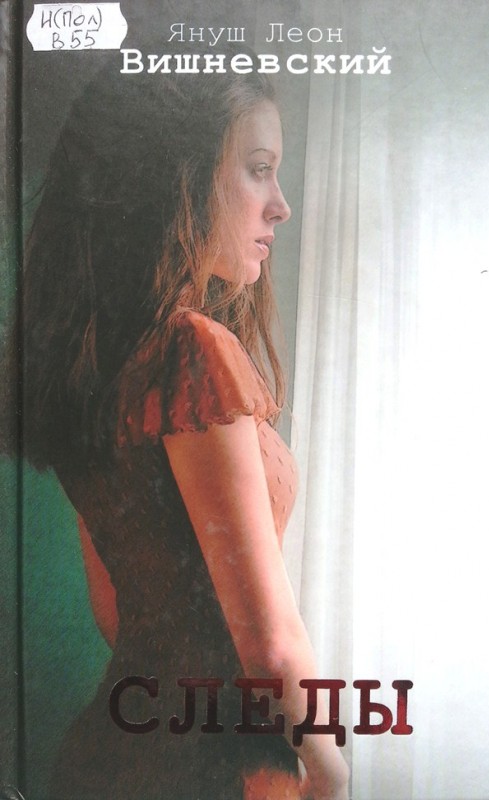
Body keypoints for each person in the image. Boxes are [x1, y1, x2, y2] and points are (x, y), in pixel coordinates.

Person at [21, 45, 350, 800]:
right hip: (220, 768)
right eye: (259, 169)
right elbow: (270, 645)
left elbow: (116, 615)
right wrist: (331, 771)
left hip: (114, 751)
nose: (280, 204)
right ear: (180, 176)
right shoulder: (193, 351)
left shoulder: (105, 363)